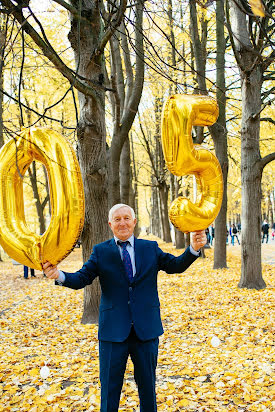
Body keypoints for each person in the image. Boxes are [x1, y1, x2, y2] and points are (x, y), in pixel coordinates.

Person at [43, 204, 206, 412]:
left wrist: (193, 248)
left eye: (127, 218)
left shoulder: (150, 248)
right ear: (110, 224)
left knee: (148, 389)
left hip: (146, 331)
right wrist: (59, 276)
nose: (123, 223)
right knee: (109, 392)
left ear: (134, 222)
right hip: (113, 332)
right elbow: (81, 278)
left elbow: (175, 265)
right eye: (117, 219)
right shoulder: (101, 252)